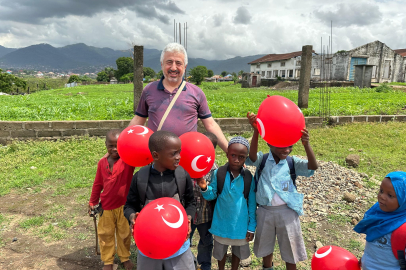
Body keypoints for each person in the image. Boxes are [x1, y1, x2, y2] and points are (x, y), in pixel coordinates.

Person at [245, 112, 318, 270]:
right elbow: (251, 157)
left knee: (290, 250)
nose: (286, 149)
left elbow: (313, 167)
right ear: (270, 144)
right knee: (266, 248)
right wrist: (256, 130)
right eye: (282, 145)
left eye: (290, 145)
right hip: (265, 211)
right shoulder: (263, 160)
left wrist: (306, 144)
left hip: (288, 212)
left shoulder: (292, 162)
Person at [128, 42, 228, 152]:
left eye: (178, 63)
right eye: (169, 62)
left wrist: (229, 151)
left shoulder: (196, 93)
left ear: (185, 67)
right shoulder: (149, 90)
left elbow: (211, 125)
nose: (173, 67)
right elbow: (138, 120)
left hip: (186, 155)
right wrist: (119, 146)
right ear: (162, 65)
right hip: (157, 156)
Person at [123, 130, 196, 269]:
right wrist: (133, 217)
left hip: (179, 248)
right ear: (156, 155)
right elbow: (128, 207)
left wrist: (188, 218)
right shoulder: (140, 178)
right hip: (149, 248)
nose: (178, 157)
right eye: (173, 153)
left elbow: (191, 203)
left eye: (179, 152)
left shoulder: (182, 175)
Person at [196, 136, 257, 270]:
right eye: (233, 155)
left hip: (240, 225)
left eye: (241, 157)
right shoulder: (219, 173)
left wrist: (251, 227)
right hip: (221, 224)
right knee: (220, 252)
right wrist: (204, 187)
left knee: (237, 251)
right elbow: (212, 194)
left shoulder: (248, 177)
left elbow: (252, 204)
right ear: (227, 154)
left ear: (246, 158)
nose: (236, 160)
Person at [88, 130, 135, 270]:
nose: (115, 149)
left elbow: (139, 154)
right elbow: (97, 184)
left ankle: (124, 257)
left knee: (125, 233)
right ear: (105, 145)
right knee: (105, 235)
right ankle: (108, 260)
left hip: (124, 206)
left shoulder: (128, 161)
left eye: (118, 145)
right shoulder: (102, 163)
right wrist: (92, 202)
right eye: (111, 145)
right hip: (106, 207)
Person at [354, 171, 406, 270]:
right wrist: (366, 258)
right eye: (381, 191)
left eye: (390, 195)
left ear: (403, 200)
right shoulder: (377, 214)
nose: (382, 196)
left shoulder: (402, 228)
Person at [190, 132, 219, 270]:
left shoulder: (213, 170)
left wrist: (205, 187)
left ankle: (205, 264)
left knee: (206, 242)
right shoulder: (185, 166)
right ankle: (189, 263)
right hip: (187, 215)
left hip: (205, 215)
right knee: (184, 241)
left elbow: (214, 194)